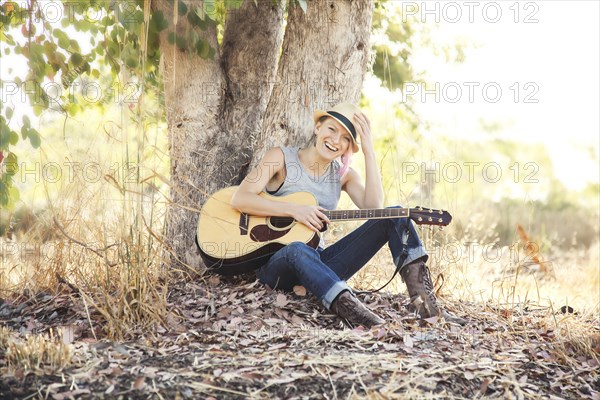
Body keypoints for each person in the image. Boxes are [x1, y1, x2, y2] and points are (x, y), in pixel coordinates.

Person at [231, 103, 466, 327]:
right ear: (318, 127)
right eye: (332, 129)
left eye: (345, 139)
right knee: (296, 249)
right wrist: (295, 210)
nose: (335, 140)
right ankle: (356, 313)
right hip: (277, 265)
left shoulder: (344, 175)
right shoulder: (280, 158)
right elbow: (240, 199)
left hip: (320, 265)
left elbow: (376, 208)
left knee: (394, 213)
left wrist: (369, 150)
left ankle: (426, 308)